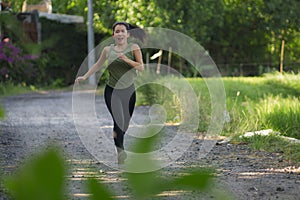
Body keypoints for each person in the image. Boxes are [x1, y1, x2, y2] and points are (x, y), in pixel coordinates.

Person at [75, 21, 145, 164]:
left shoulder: (134, 48)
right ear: (113, 35)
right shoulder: (108, 50)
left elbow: (141, 67)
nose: (120, 34)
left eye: (122, 31)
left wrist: (126, 59)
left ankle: (119, 143)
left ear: (128, 34)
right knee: (118, 121)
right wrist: (85, 76)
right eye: (117, 31)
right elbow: (98, 65)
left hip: (129, 90)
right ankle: (120, 151)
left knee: (124, 124)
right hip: (112, 90)